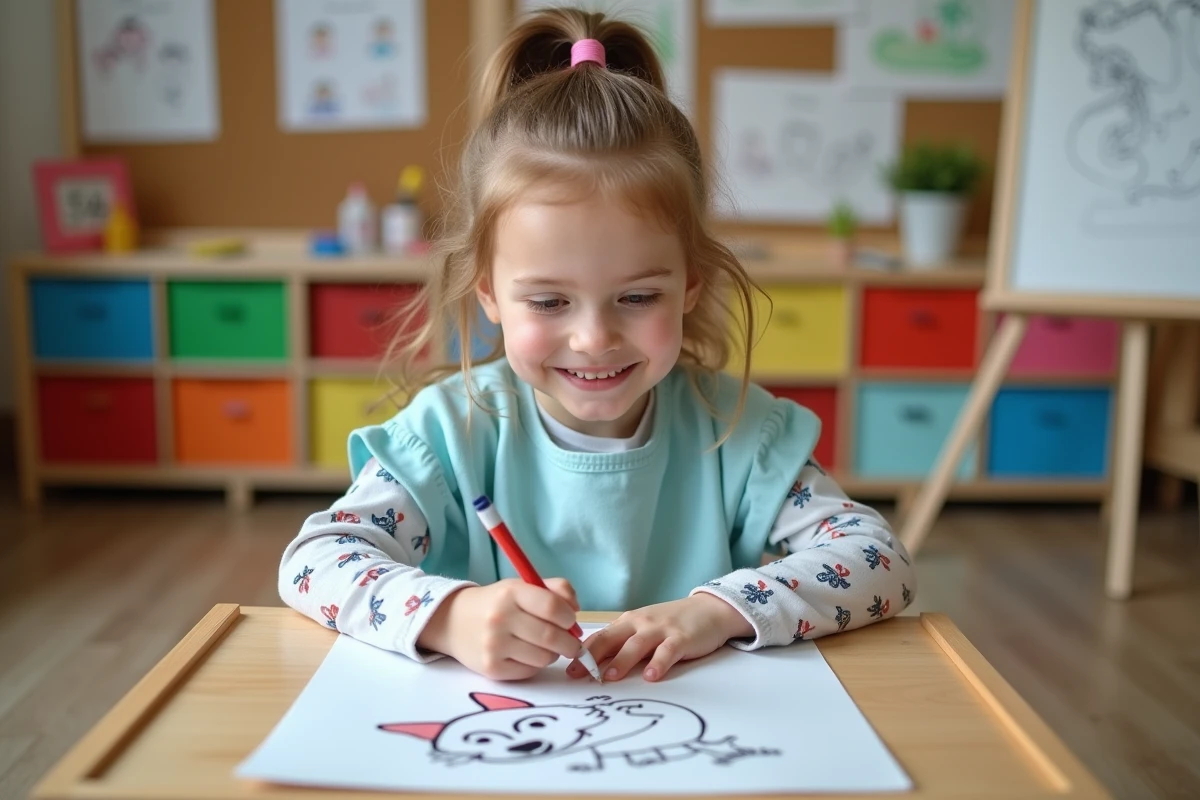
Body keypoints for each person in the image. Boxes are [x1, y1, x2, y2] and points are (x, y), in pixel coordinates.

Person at [279, 7, 915, 684]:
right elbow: (314, 560)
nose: (593, 339)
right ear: (488, 292)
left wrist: (716, 611)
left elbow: (880, 561)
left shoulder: (742, 435)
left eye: (637, 297)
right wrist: (452, 616)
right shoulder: (447, 436)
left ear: (690, 284)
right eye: (549, 301)